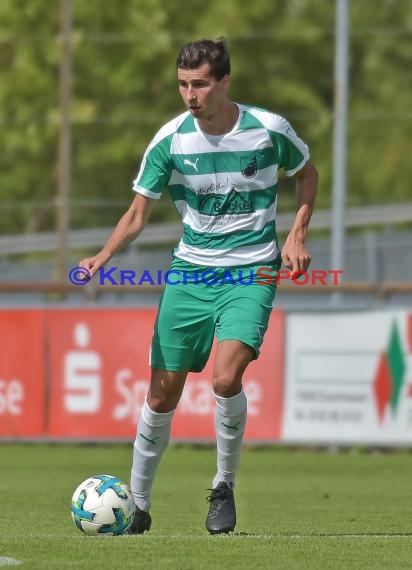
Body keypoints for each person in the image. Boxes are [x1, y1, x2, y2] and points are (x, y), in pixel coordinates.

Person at [79, 38, 318, 535]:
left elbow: (306, 174)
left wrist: (296, 233)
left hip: (252, 270)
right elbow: (138, 213)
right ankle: (137, 506)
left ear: (224, 82)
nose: (191, 94)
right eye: (184, 84)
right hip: (190, 274)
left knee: (226, 379)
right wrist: (103, 256)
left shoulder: (267, 130)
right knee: (162, 396)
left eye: (201, 83)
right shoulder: (170, 139)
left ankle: (224, 484)